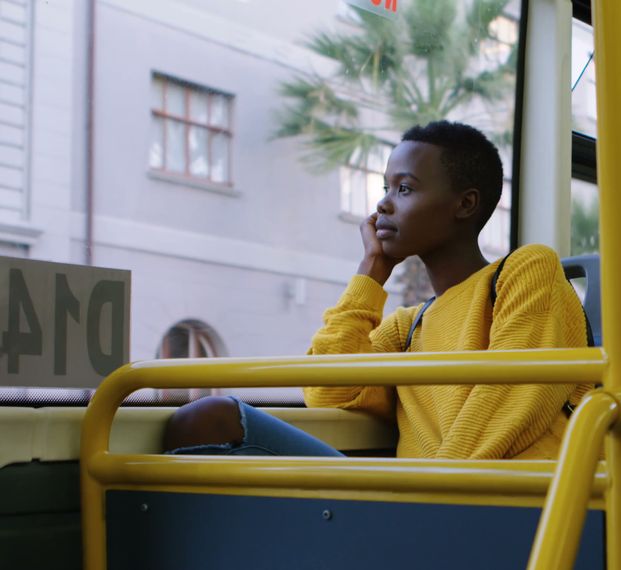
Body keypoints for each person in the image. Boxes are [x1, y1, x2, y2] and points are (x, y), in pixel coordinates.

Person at [163, 121, 591, 460]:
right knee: (210, 420)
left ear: (465, 204)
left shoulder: (526, 271)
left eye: (404, 189)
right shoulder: (409, 327)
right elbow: (328, 390)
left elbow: (509, 411)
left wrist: (420, 500)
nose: (383, 204)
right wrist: (371, 273)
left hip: (502, 506)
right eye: (385, 188)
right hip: (422, 503)